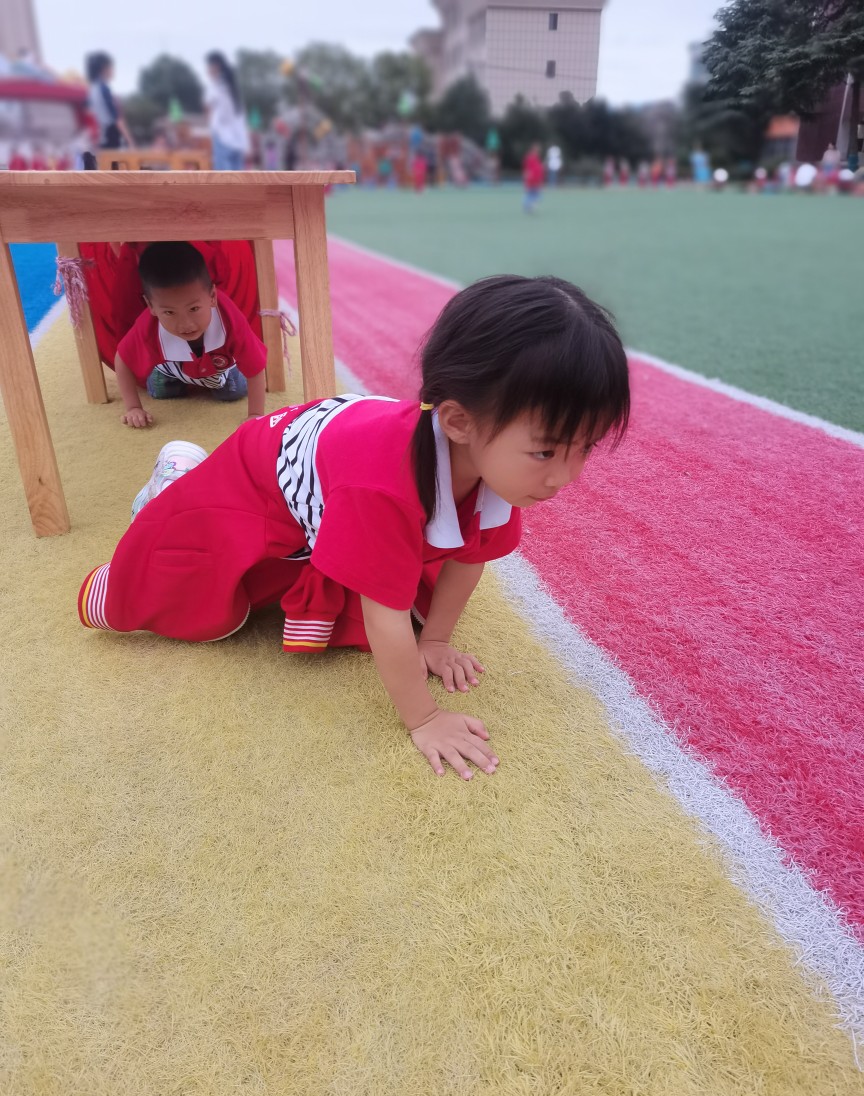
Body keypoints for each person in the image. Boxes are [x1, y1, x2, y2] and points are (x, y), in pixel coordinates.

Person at [78, 275, 630, 780]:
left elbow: (471, 554)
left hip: (339, 458)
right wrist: (424, 718)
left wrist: (435, 641)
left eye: (585, 448)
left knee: (399, 592)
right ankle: (174, 477)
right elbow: (384, 612)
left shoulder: (495, 461)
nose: (566, 477)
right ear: (459, 422)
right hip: (258, 476)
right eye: (547, 452)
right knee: (195, 594)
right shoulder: (383, 488)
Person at [114, 241, 267, 428]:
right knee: (161, 391)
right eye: (169, 312)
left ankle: (220, 379)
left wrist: (255, 414)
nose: (185, 324)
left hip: (219, 367)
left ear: (212, 297)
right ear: (151, 306)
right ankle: (171, 380)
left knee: (234, 392)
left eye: (194, 308)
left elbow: (256, 366)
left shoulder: (230, 319)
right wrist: (133, 407)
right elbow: (122, 360)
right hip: (171, 368)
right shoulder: (147, 325)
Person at [205, 51, 248, 171]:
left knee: (223, 178)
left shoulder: (216, 85)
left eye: (208, 67)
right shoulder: (233, 87)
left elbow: (208, 108)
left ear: (215, 66)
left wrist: (211, 126)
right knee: (237, 177)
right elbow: (240, 117)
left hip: (222, 137)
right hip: (237, 140)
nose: (207, 70)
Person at [86, 52, 134, 150]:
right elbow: (116, 118)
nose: (113, 70)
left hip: (99, 136)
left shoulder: (92, 89)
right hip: (110, 135)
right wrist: (130, 141)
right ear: (104, 69)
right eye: (112, 67)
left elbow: (89, 112)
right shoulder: (104, 88)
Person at [522, 144, 545, 212]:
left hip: (536, 179)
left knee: (537, 195)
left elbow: (538, 169)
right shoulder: (530, 157)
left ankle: (529, 205)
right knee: (531, 194)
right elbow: (527, 168)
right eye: (536, 150)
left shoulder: (537, 158)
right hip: (532, 179)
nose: (538, 152)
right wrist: (528, 175)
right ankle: (527, 205)